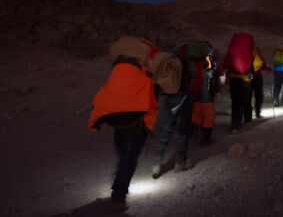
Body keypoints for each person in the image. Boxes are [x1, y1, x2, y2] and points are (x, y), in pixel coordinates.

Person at [88, 36, 159, 212]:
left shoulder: (119, 74)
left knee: (124, 157)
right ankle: (118, 196)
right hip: (136, 124)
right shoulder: (144, 76)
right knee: (130, 159)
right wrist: (148, 126)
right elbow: (151, 104)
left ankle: (119, 184)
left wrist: (96, 120)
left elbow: (103, 96)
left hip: (117, 123)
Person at [149, 40, 209, 179]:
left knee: (166, 129)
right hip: (184, 96)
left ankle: (156, 163)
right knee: (184, 130)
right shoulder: (188, 61)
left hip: (170, 98)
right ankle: (180, 162)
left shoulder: (170, 59)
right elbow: (193, 74)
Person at [224, 33, 256, 133]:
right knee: (243, 101)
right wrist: (254, 70)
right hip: (244, 78)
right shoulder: (251, 47)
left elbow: (227, 58)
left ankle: (234, 123)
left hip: (232, 77)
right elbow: (257, 61)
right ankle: (238, 125)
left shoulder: (233, 46)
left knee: (235, 101)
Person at [191, 50, 218, 147]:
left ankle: (193, 137)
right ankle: (205, 140)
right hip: (206, 95)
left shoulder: (195, 64)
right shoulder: (208, 65)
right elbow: (211, 75)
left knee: (196, 115)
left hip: (196, 95)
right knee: (208, 117)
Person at [249, 45, 271, 119]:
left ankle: (247, 115)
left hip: (247, 78)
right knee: (258, 95)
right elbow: (263, 66)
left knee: (248, 95)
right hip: (257, 77)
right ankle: (257, 112)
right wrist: (268, 69)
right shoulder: (257, 55)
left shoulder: (245, 55)